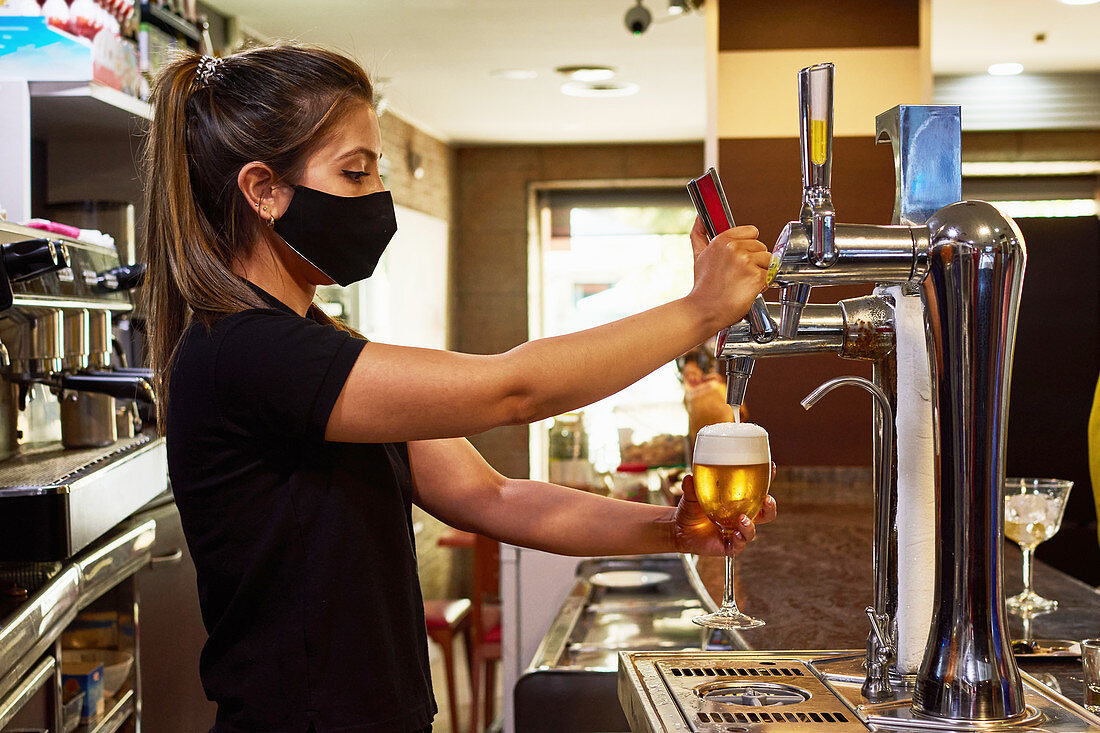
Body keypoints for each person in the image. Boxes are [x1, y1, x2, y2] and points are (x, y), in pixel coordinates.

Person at [144, 44, 777, 733]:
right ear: (264, 190)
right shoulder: (244, 352)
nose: (377, 196)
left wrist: (669, 530)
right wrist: (698, 312)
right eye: (356, 173)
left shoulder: (320, 351)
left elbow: (493, 496)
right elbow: (516, 390)